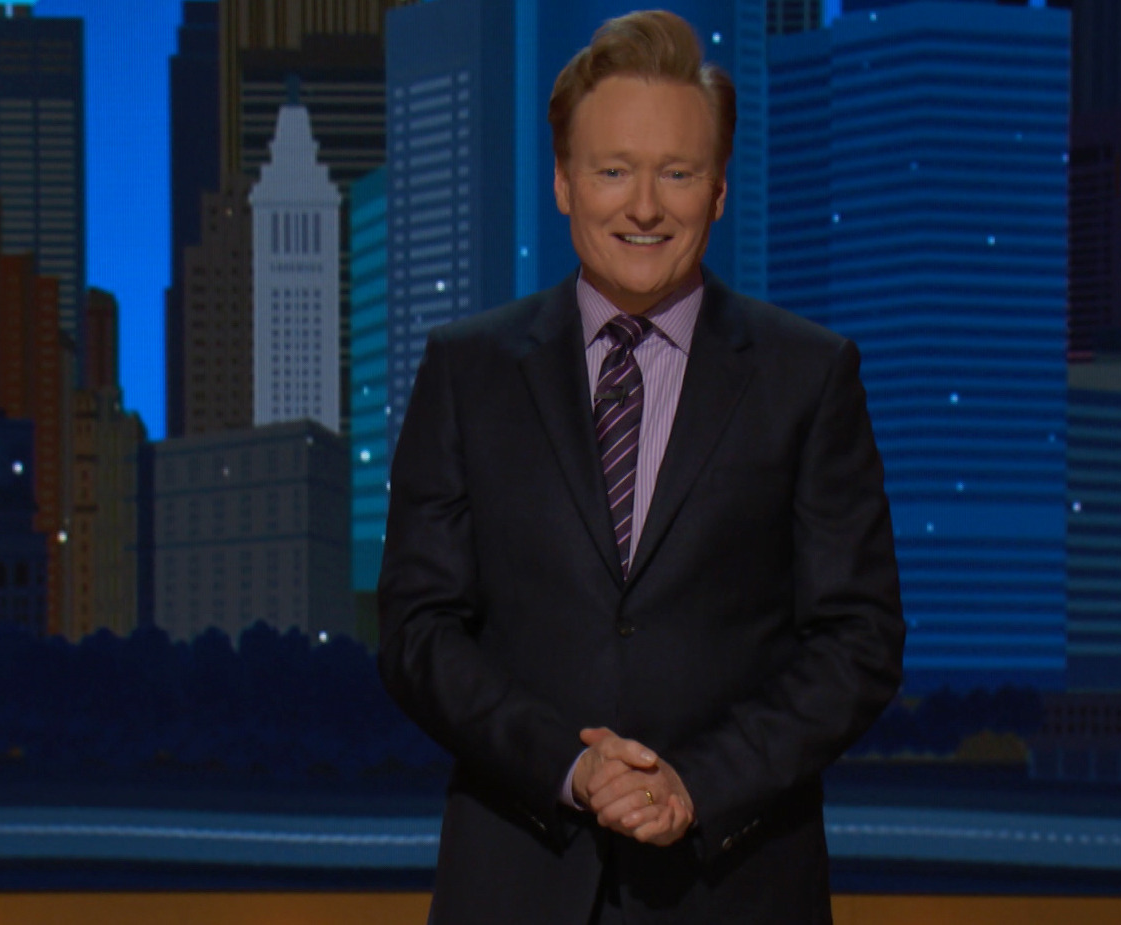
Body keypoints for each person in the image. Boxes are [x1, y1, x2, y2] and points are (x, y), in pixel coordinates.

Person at [378, 10, 904, 924]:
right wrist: (570, 766)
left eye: (677, 173)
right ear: (563, 182)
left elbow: (858, 640)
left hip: (733, 887)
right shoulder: (466, 371)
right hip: (515, 882)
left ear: (719, 189)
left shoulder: (808, 376)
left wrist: (697, 782)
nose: (645, 207)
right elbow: (418, 631)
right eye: (613, 170)